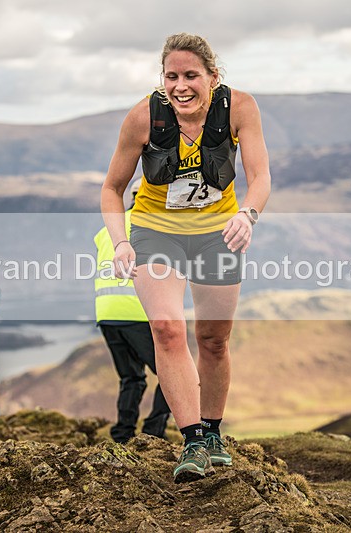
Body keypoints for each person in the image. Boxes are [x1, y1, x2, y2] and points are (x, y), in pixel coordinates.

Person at [100, 33, 271, 482]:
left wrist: (248, 215)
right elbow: (111, 189)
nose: (180, 86)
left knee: (213, 339)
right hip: (158, 234)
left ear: (213, 77)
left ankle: (212, 432)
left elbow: (260, 176)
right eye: (171, 76)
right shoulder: (143, 117)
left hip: (219, 235)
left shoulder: (240, 109)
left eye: (191, 75)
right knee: (167, 328)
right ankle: (192, 439)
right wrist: (121, 241)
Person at [94, 180, 171, 443]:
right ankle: (153, 432)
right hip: (135, 311)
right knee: (173, 373)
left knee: (132, 377)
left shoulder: (108, 230)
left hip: (106, 312)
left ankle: (123, 434)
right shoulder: (153, 225)